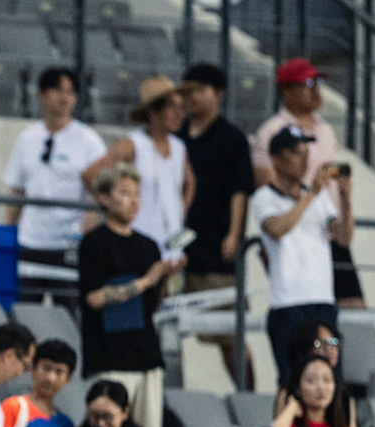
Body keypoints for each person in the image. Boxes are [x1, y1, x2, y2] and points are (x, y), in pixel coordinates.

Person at [77, 165, 178, 427]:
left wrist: (165, 280)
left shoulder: (148, 245)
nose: (133, 201)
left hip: (146, 352)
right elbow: (94, 297)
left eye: (136, 194)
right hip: (110, 353)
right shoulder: (94, 243)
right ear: (104, 198)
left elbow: (154, 304)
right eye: (124, 193)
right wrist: (145, 281)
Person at [252, 56, 363, 310]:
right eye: (307, 83)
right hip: (292, 236)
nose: (315, 90)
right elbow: (269, 189)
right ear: (286, 90)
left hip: (325, 227)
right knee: (300, 316)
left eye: (317, 82)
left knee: (351, 311)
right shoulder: (271, 131)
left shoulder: (325, 130)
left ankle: (334, 350)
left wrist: (344, 201)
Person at [252, 125, 352, 386]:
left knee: (331, 374)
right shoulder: (264, 198)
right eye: (296, 152)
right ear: (276, 158)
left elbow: (343, 237)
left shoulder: (318, 198)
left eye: (307, 151)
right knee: (291, 379)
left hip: (324, 305)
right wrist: (310, 195)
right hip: (289, 306)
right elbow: (276, 229)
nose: (305, 158)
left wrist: (345, 198)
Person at [177, 63, 256, 378]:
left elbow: (241, 190)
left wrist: (234, 234)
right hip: (176, 250)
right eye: (187, 91)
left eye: (200, 90)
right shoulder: (176, 135)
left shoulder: (232, 139)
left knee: (229, 337)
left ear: (218, 93)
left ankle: (246, 395)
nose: (192, 97)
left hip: (214, 248)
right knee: (168, 333)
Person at [2, 68, 108, 304]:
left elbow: (97, 196)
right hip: (31, 240)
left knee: (68, 313)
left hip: (67, 244)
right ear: (42, 93)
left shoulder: (88, 141)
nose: (65, 98)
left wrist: (83, 234)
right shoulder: (27, 138)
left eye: (71, 92)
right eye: (58, 90)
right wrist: (8, 230)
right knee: (26, 311)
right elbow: (17, 190)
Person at [84, 76, 194, 255]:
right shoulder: (133, 145)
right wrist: (115, 211)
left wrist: (180, 212)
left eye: (181, 107)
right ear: (153, 111)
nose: (179, 114)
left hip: (172, 248)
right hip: (138, 247)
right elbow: (91, 176)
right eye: (171, 107)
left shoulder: (179, 147)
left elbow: (189, 183)